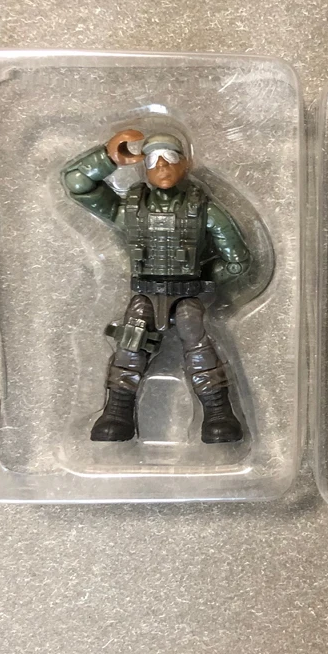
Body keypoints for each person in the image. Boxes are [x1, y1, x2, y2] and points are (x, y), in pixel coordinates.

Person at [61, 128, 250, 444]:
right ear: (144, 167)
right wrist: (108, 157)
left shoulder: (203, 211)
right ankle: (117, 412)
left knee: (196, 339)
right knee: (131, 342)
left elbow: (238, 261)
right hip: (146, 294)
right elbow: (77, 183)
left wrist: (200, 281)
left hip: (187, 297)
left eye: (170, 157)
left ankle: (218, 412)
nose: (162, 166)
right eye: (152, 160)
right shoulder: (131, 211)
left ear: (185, 163)